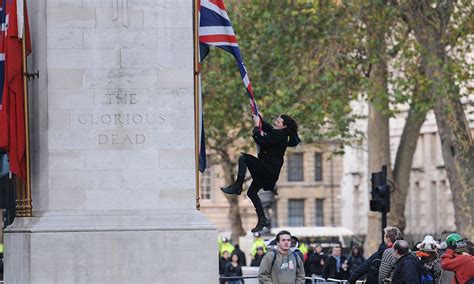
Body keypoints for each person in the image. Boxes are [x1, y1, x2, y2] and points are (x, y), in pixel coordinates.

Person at [221, 114, 301, 232]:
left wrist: (256, 127)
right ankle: (262, 219)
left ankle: (237, 186)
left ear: (284, 126)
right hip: (266, 170)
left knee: (244, 158)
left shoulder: (281, 136)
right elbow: (268, 127)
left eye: (278, 122)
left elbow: (262, 141)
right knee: (252, 193)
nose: (275, 122)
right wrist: (258, 118)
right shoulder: (278, 133)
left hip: (268, 170)